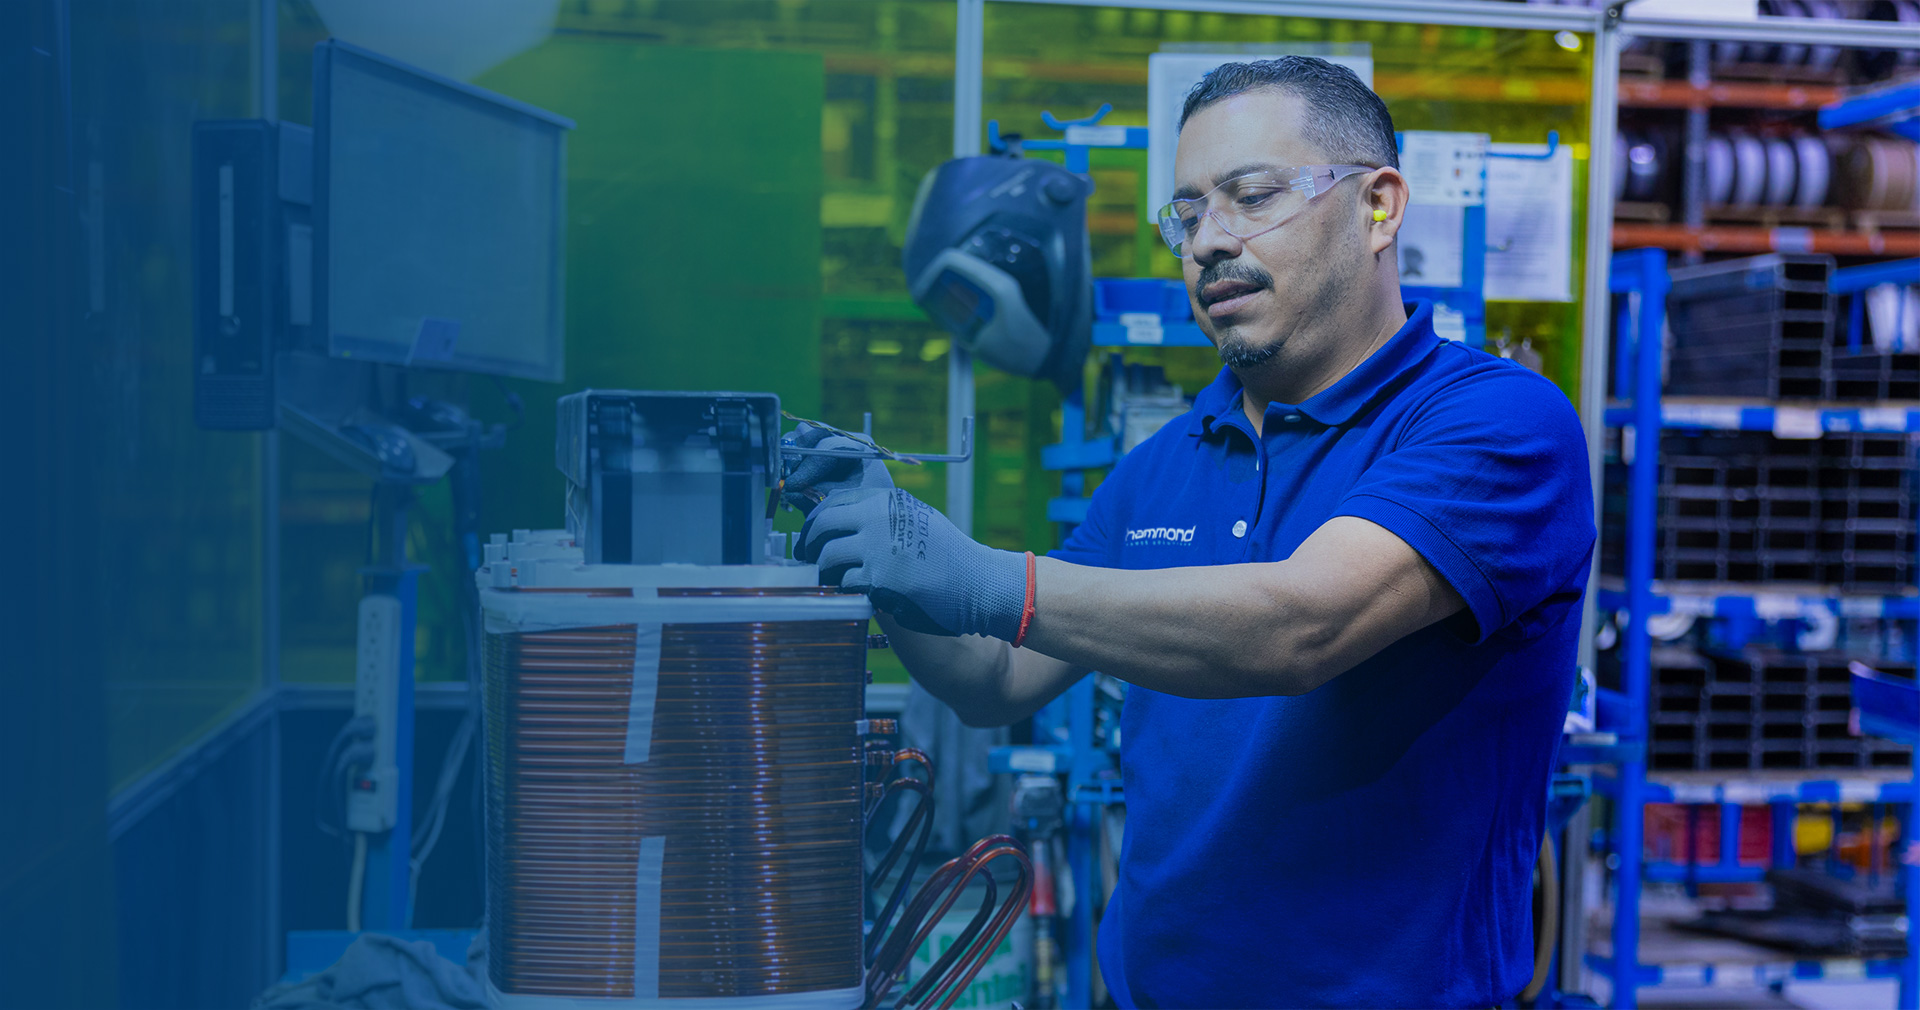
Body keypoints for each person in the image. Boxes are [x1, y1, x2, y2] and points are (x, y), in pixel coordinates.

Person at [788, 56, 1595, 1008]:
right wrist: (887, 556)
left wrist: (980, 575)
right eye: (1187, 213)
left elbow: (1304, 625)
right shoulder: (1165, 463)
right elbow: (994, 680)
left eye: (1251, 197)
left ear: (1379, 208)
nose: (1209, 241)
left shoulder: (1494, 423)